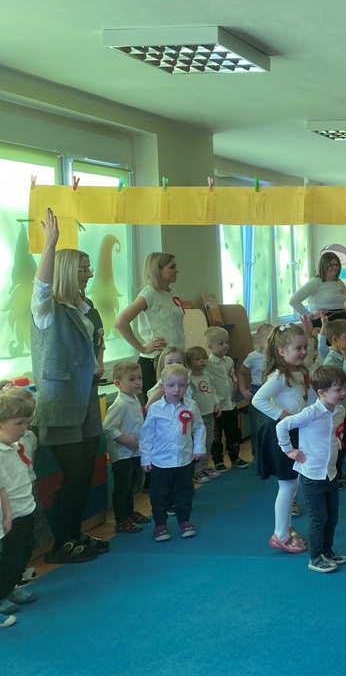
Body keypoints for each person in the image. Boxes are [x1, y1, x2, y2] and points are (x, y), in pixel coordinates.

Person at [30, 209, 109, 565]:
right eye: (83, 268)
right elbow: (42, 286)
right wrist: (50, 244)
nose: (90, 273)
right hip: (61, 401)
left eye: (89, 268)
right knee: (75, 473)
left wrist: (99, 361)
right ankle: (61, 543)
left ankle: (74, 535)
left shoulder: (86, 307)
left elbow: (96, 342)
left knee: (86, 471)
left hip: (87, 397)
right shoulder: (47, 310)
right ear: (67, 271)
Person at [276, 365, 346, 573]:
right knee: (318, 519)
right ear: (321, 393)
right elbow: (282, 426)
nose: (343, 393)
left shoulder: (340, 412)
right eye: (338, 390)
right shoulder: (310, 413)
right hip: (311, 474)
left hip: (330, 472)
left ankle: (327, 550)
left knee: (332, 517)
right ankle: (315, 557)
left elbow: (332, 435)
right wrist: (288, 450)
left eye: (344, 388)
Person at [253, 324, 313, 555]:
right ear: (281, 351)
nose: (303, 352)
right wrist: (282, 415)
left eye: (305, 347)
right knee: (287, 484)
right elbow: (258, 399)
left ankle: (285, 527)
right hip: (281, 433)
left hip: (294, 431)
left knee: (293, 483)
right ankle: (280, 535)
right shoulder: (279, 376)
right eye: (298, 348)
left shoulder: (296, 371)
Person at [140, 364, 205, 542]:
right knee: (159, 495)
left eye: (181, 385)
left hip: (184, 460)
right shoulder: (155, 409)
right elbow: (147, 436)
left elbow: (199, 427)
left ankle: (184, 521)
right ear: (162, 387)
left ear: (187, 386)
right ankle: (160, 524)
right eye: (171, 385)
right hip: (160, 462)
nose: (176, 390)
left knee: (184, 493)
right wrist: (145, 458)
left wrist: (199, 447)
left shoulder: (191, 406)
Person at [0, 384, 44, 626]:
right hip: (10, 516)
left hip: (25, 509)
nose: (24, 429)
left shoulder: (13, 447)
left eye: (26, 423)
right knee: (10, 557)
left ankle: (10, 587)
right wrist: (6, 515)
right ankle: (1, 593)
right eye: (18, 424)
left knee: (24, 553)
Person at [114, 251, 185, 394]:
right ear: (158, 269)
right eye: (172, 267)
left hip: (174, 360)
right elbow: (121, 322)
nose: (177, 270)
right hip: (156, 362)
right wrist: (142, 348)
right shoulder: (149, 293)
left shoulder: (172, 292)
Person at [102, 361, 148, 533]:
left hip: (134, 452)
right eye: (132, 379)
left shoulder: (133, 399)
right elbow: (108, 427)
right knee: (123, 487)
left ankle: (129, 512)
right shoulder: (120, 404)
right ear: (118, 383)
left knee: (131, 484)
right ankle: (121, 519)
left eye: (139, 378)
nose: (138, 382)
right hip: (122, 454)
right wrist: (127, 441)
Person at [203, 326, 248, 472]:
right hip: (217, 407)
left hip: (230, 404)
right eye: (221, 343)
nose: (225, 346)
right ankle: (218, 461)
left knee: (233, 432)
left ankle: (235, 457)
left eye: (227, 342)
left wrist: (235, 385)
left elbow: (232, 375)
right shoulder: (207, 364)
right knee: (216, 436)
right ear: (210, 346)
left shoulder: (229, 361)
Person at [319, 318, 346, 476]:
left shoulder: (342, 355)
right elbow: (341, 380)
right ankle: (335, 474)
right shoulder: (331, 360)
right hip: (336, 407)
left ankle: (339, 470)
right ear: (335, 339)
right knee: (338, 440)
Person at [289, 251, 346, 325]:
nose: (335, 267)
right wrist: (310, 316)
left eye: (337, 265)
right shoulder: (315, 282)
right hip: (323, 322)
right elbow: (293, 301)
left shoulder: (339, 282)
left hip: (341, 320)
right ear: (323, 265)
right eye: (331, 265)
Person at [184, 346, 219, 484]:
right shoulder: (189, 379)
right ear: (189, 362)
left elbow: (213, 391)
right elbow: (189, 398)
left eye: (204, 358)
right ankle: (196, 469)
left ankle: (205, 466)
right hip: (197, 418)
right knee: (197, 443)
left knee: (208, 441)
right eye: (197, 359)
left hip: (209, 414)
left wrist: (217, 403)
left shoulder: (208, 376)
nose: (202, 361)